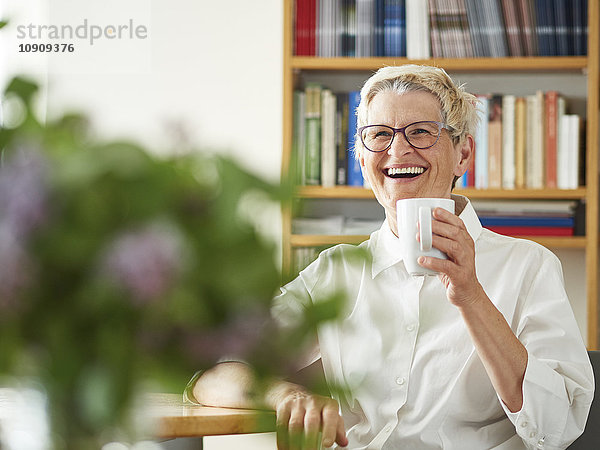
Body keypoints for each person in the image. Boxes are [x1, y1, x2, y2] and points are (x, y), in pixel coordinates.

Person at [190, 65, 594, 449]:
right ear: (363, 160)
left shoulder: (527, 266)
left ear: (463, 155)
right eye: (379, 134)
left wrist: (471, 296)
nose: (397, 149)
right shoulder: (334, 272)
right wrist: (283, 394)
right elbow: (212, 374)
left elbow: (558, 429)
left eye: (420, 132)